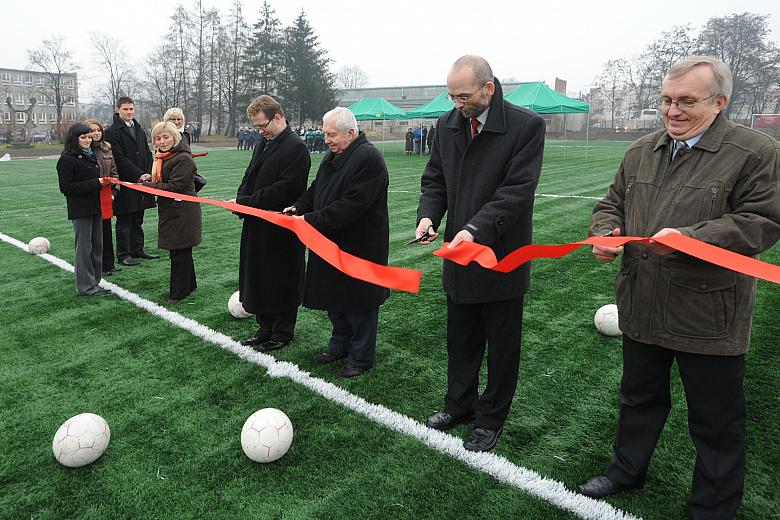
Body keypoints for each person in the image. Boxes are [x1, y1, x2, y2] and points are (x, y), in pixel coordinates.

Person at [577, 56, 780, 519]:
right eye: (667, 100)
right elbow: (610, 203)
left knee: (716, 420)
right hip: (643, 302)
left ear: (719, 102)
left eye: (687, 101)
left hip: (707, 313)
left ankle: (712, 507)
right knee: (638, 398)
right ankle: (626, 470)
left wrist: (693, 241)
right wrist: (605, 232)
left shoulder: (754, 151)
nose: (673, 110)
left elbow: (763, 221)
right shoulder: (641, 151)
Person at [415, 55, 545, 452]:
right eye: (451, 95)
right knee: (461, 339)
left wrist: (476, 230)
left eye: (464, 96)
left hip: (500, 258)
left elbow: (516, 193)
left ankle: (491, 418)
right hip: (459, 257)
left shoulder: (526, 126)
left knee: (502, 347)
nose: (457, 103)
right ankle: (459, 405)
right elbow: (434, 178)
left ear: (489, 88)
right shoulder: (447, 123)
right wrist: (428, 216)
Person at [284, 107, 390, 378]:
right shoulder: (335, 154)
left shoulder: (367, 158)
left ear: (351, 133)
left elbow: (352, 206)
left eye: (331, 134)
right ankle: (339, 346)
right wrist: (298, 207)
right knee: (335, 299)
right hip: (330, 241)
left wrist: (310, 219)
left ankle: (361, 357)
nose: (326, 139)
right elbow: (317, 189)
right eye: (325, 134)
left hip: (359, 246)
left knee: (359, 304)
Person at [231, 95, 310, 352]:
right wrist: (241, 200)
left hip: (281, 226)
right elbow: (249, 175)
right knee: (259, 275)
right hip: (257, 222)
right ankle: (264, 328)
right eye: (256, 127)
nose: (260, 131)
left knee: (281, 277)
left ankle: (282, 331)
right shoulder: (263, 144)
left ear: (278, 117)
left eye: (262, 125)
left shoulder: (296, 147)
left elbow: (285, 189)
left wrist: (247, 202)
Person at [139, 122, 202, 302]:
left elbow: (174, 187)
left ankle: (178, 292)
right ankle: (188, 286)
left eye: (165, 137)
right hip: (173, 210)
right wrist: (150, 178)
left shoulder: (183, 158)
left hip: (182, 211)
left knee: (179, 251)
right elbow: (167, 179)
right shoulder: (165, 157)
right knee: (181, 251)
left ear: (175, 137)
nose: (161, 141)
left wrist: (147, 185)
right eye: (157, 138)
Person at [56, 123, 114, 296]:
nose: (88, 140)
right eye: (83, 137)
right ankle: (85, 287)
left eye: (89, 137)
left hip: (96, 207)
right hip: (81, 210)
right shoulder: (67, 159)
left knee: (97, 246)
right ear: (74, 139)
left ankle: (94, 282)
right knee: (84, 249)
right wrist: (95, 183)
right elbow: (66, 188)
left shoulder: (90, 155)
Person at [104, 96, 159, 267]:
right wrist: (138, 174)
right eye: (125, 109)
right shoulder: (112, 132)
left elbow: (147, 153)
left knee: (138, 217)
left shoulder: (139, 129)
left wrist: (149, 172)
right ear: (118, 110)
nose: (129, 112)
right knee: (125, 219)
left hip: (141, 181)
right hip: (126, 182)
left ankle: (137, 249)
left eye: (131, 109)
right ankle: (124, 253)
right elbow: (119, 159)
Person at [84, 118, 120, 277]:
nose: (96, 133)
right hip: (90, 197)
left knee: (106, 231)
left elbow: (114, 174)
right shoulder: (84, 152)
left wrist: (114, 193)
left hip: (106, 196)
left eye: (98, 130)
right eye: (92, 130)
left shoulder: (107, 150)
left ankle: (108, 264)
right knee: (93, 234)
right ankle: (95, 265)